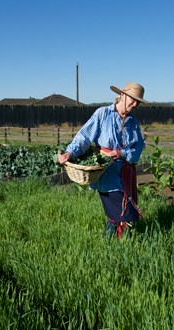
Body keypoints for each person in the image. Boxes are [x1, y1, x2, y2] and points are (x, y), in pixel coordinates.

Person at [58, 82, 147, 239]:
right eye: (132, 100)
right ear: (122, 95)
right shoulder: (103, 114)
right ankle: (118, 243)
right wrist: (69, 152)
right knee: (123, 211)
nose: (134, 105)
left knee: (124, 213)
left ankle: (111, 243)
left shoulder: (133, 121)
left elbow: (138, 147)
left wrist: (122, 153)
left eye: (137, 102)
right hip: (107, 172)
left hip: (126, 171)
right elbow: (84, 136)